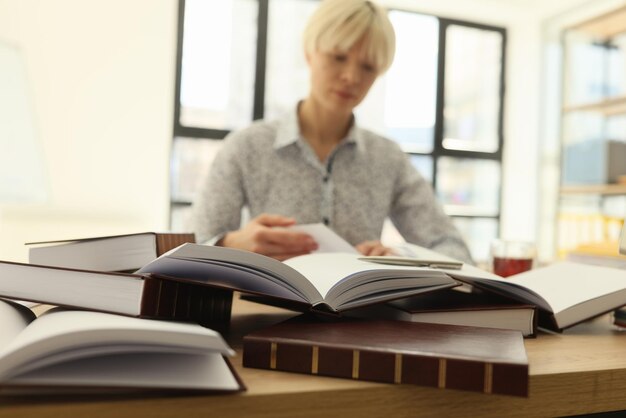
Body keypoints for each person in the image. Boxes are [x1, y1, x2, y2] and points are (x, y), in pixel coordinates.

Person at [190, 0, 473, 264]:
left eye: (368, 67)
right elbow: (188, 249)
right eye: (339, 57)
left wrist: (399, 257)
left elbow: (453, 250)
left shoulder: (388, 159)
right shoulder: (247, 146)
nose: (351, 77)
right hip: (265, 313)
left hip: (362, 316)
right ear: (309, 52)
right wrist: (233, 244)